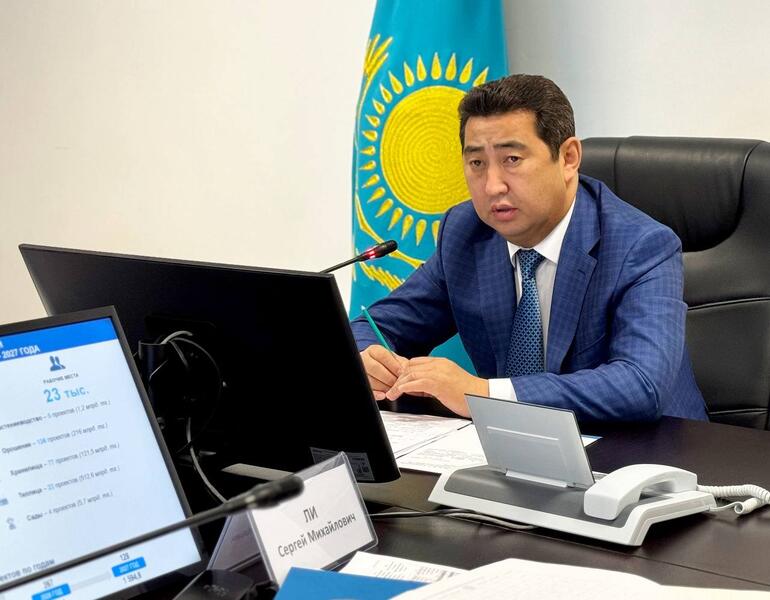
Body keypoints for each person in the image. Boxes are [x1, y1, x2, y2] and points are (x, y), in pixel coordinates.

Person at [350, 74, 708, 422]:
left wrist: (483, 393)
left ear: (568, 158)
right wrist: (369, 359)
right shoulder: (466, 233)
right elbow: (372, 326)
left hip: (648, 450)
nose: (492, 186)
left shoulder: (641, 246)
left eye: (512, 160)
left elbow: (640, 385)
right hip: (517, 449)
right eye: (477, 163)